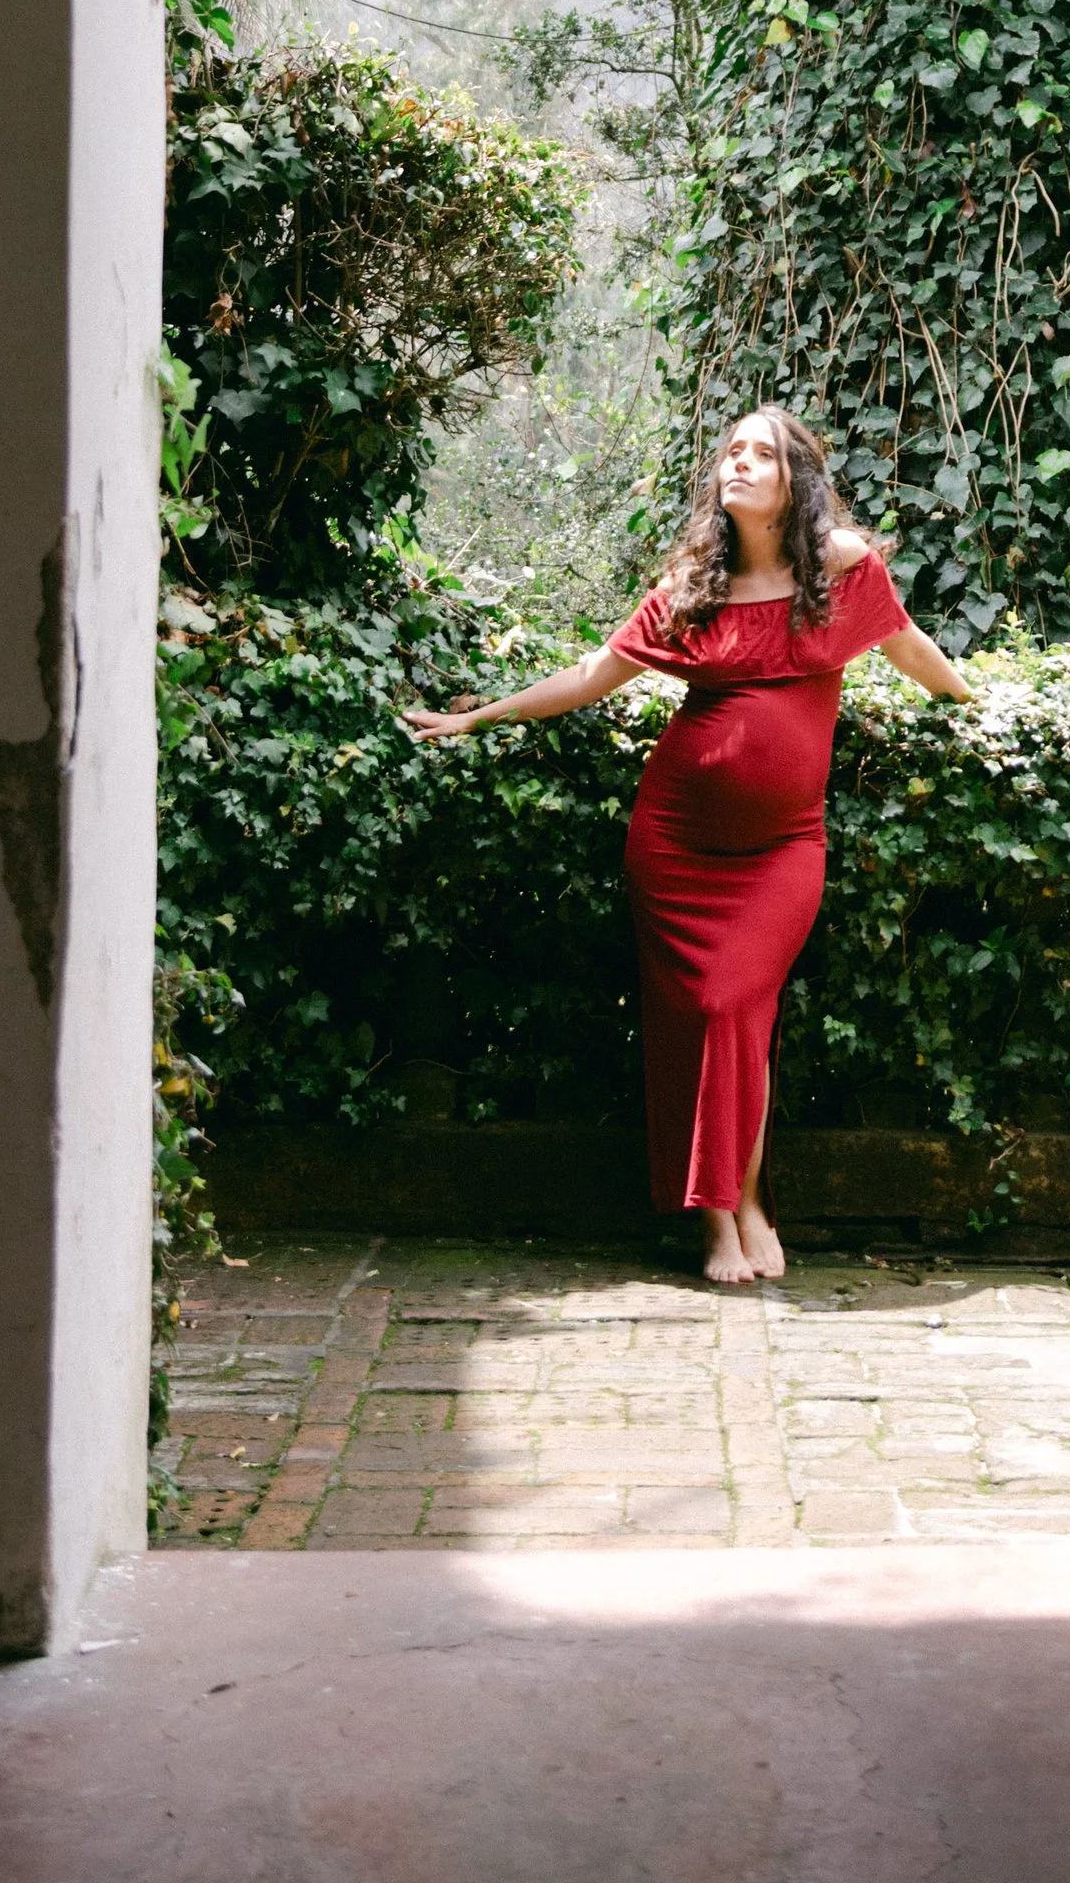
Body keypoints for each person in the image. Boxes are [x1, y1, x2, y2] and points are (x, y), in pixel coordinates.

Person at [403, 405, 975, 1285]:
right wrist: (478, 716)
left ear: (795, 479)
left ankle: (747, 1203)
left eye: (761, 454)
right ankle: (719, 1220)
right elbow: (594, 674)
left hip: (784, 848)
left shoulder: (840, 569)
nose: (737, 463)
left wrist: (972, 702)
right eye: (731, 451)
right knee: (698, 1021)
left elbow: (907, 646)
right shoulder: (694, 585)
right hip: (676, 845)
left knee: (736, 1005)